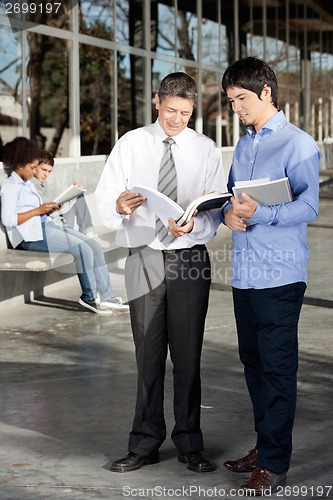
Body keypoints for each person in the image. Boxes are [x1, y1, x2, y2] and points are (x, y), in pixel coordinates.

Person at [95, 72, 226, 473]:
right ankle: (145, 443)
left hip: (188, 258)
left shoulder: (206, 149)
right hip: (144, 257)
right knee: (147, 356)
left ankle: (190, 442)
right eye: (171, 110)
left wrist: (193, 225)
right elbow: (104, 196)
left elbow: (216, 207)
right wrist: (118, 205)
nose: (177, 119)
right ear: (157, 102)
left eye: (185, 113)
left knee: (187, 356)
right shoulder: (131, 143)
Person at [220, 57, 320, 495]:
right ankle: (265, 447)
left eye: (241, 99)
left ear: (266, 93)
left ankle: (275, 466)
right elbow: (228, 195)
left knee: (278, 370)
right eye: (230, 101)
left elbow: (309, 206)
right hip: (244, 274)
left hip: (280, 275)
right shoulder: (242, 145)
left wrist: (264, 213)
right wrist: (228, 213)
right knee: (255, 366)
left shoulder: (299, 145)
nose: (236, 108)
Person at [0, 137, 128, 314]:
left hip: (46, 227)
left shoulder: (26, 184)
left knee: (93, 246)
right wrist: (38, 210)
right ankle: (89, 297)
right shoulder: (10, 186)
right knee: (82, 249)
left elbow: (37, 211)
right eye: (32, 167)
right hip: (31, 237)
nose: (34, 171)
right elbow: (8, 220)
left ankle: (107, 296)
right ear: (20, 164)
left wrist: (48, 209)